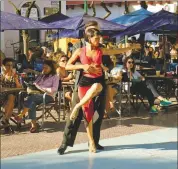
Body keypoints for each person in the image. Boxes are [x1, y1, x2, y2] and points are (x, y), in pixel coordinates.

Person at [57, 21, 140, 155]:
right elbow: (68, 64)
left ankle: (94, 141)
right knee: (76, 114)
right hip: (82, 83)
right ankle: (65, 143)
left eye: (98, 31)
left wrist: (109, 68)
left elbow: (109, 60)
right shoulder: (78, 46)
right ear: (87, 33)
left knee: (98, 114)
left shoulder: (101, 47)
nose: (97, 34)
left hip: (99, 82)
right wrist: (83, 66)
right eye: (93, 31)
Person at [15, 60, 59, 133]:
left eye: (46, 68)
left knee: (32, 98)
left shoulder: (55, 77)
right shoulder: (41, 75)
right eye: (43, 68)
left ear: (51, 68)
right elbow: (35, 83)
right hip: (36, 94)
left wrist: (41, 88)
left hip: (48, 96)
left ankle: (21, 115)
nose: (44, 69)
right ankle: (34, 125)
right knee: (31, 102)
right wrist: (32, 85)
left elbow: (54, 89)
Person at [0, 58, 22, 133]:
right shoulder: (1, 75)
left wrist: (16, 79)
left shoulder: (14, 75)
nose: (10, 67)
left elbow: (19, 87)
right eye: (8, 65)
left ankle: (5, 120)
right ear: (3, 66)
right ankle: (6, 121)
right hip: (2, 96)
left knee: (11, 97)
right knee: (10, 103)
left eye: (11, 65)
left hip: (13, 94)